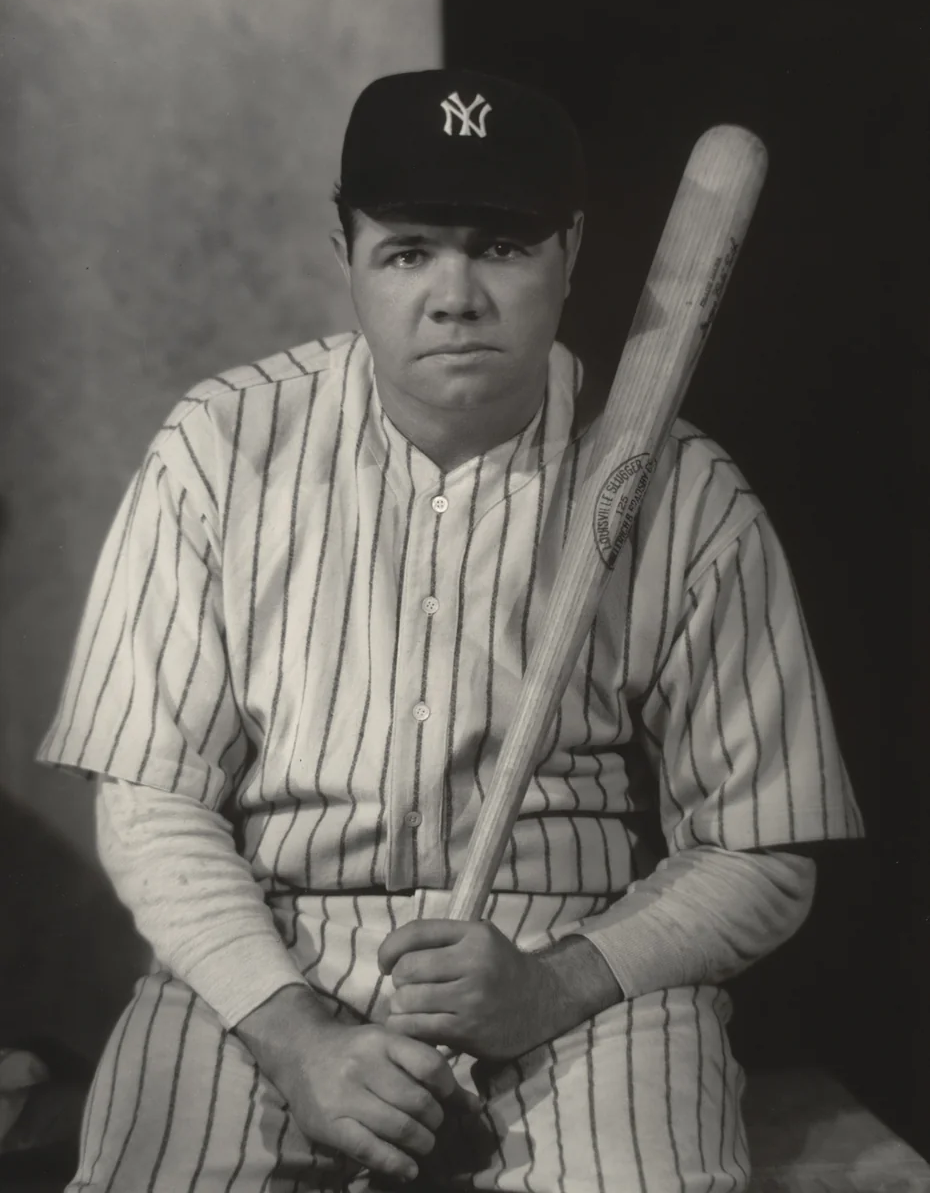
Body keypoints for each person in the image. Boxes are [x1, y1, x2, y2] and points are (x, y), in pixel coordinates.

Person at [39, 68, 863, 1192]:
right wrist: (291, 1032)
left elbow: (764, 848)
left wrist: (558, 985)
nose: (455, 293)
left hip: (568, 958)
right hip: (266, 948)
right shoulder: (219, 450)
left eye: (502, 246)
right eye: (410, 249)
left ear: (572, 252)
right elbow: (149, 798)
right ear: (348, 256)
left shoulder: (688, 493)